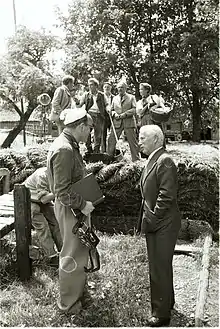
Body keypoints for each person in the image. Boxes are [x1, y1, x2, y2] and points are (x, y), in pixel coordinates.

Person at [47, 107, 95, 314]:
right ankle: (68, 304)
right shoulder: (65, 149)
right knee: (72, 254)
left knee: (80, 250)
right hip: (71, 209)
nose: (90, 132)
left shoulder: (68, 144)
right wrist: (83, 204)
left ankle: (79, 292)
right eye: (90, 128)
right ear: (81, 126)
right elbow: (61, 191)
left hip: (73, 208)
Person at [137, 125, 181, 327]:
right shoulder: (153, 160)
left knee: (159, 267)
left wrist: (153, 217)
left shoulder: (165, 161)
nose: (139, 142)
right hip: (156, 221)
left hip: (163, 223)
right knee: (160, 265)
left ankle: (161, 314)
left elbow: (167, 195)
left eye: (143, 138)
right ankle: (167, 302)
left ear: (156, 139)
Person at [24, 167, 62, 258]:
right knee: (42, 225)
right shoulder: (43, 175)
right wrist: (60, 191)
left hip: (41, 200)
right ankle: (51, 256)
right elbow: (44, 199)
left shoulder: (60, 173)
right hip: (27, 199)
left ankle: (64, 252)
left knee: (56, 221)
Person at [107, 81, 140, 162]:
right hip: (117, 122)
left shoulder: (131, 97)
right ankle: (109, 160)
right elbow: (111, 109)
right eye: (118, 87)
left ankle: (136, 161)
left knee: (133, 142)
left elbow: (134, 109)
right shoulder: (114, 98)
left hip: (128, 122)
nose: (120, 89)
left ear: (125, 88)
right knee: (111, 140)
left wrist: (124, 115)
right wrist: (114, 114)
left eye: (122, 87)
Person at [80, 77, 109, 154]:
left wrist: (108, 109)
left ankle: (96, 151)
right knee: (86, 133)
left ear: (96, 86)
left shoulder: (102, 95)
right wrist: (77, 102)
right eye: (89, 85)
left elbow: (107, 104)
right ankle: (89, 149)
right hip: (89, 115)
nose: (90, 87)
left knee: (98, 134)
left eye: (91, 85)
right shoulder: (86, 95)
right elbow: (79, 105)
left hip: (99, 115)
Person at [101, 82, 114, 153]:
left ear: (111, 88)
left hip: (112, 117)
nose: (106, 88)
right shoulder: (101, 97)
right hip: (103, 117)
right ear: (103, 88)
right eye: (105, 87)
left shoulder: (114, 97)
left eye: (108, 87)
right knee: (103, 135)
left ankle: (111, 150)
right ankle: (103, 151)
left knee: (112, 134)